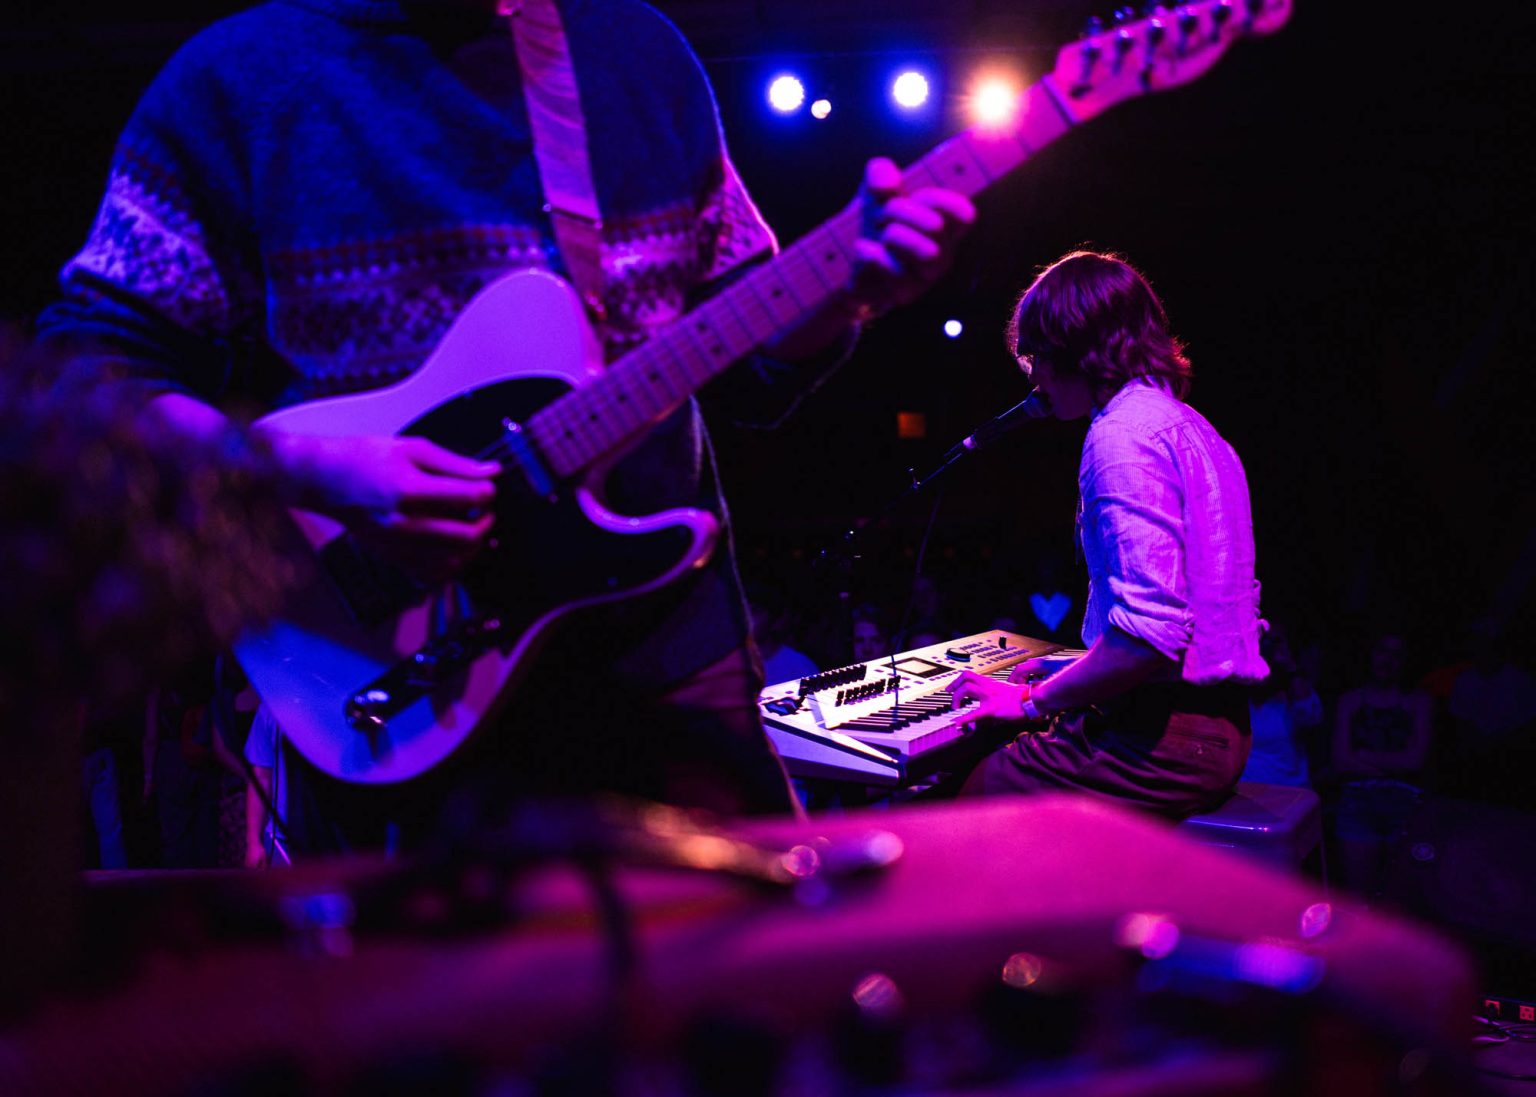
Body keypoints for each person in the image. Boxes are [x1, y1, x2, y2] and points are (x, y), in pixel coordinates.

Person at [39, 0, 973, 849]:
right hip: (391, 664)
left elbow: (749, 363)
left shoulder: (638, 56)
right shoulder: (234, 82)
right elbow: (90, 372)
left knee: (739, 974)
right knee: (442, 1013)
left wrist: (841, 300)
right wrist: (321, 473)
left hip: (661, 649)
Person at [945, 251, 1267, 818]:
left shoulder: (1121, 436)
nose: (1033, 374)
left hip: (1158, 740)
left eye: (1036, 354)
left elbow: (1149, 637)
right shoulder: (1195, 430)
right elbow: (1182, 628)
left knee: (965, 801)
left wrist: (1027, 702)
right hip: (1217, 729)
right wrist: (1055, 673)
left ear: (1074, 348)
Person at [1331, 630, 1432, 899]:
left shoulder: (1419, 701)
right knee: (1359, 897)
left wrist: (1361, 755)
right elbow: (1340, 760)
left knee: (1401, 898)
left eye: (1396, 655)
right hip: (1358, 803)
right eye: (1382, 652)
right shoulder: (1351, 700)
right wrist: (1392, 764)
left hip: (1406, 805)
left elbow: (1415, 760)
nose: (1388, 661)